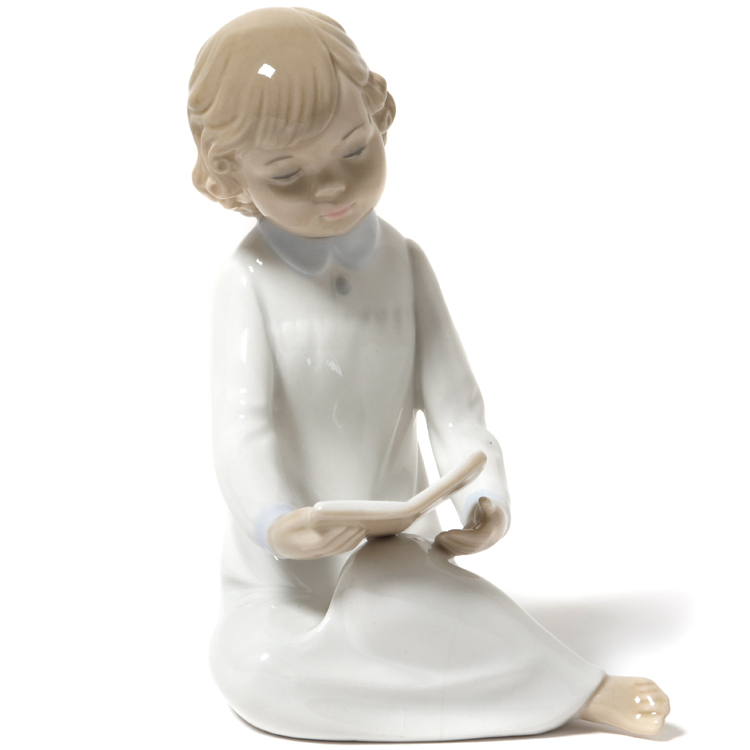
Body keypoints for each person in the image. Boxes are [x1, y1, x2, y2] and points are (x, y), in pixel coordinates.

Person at [188, 7, 669, 741]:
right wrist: (278, 524)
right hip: (280, 580)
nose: (332, 187)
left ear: (378, 118)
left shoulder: (404, 264)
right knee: (253, 668)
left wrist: (482, 499)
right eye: (287, 173)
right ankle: (510, 677)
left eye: (355, 150)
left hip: (395, 557)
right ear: (234, 177)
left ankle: (575, 687)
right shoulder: (246, 282)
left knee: (394, 594)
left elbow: (455, 410)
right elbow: (240, 427)